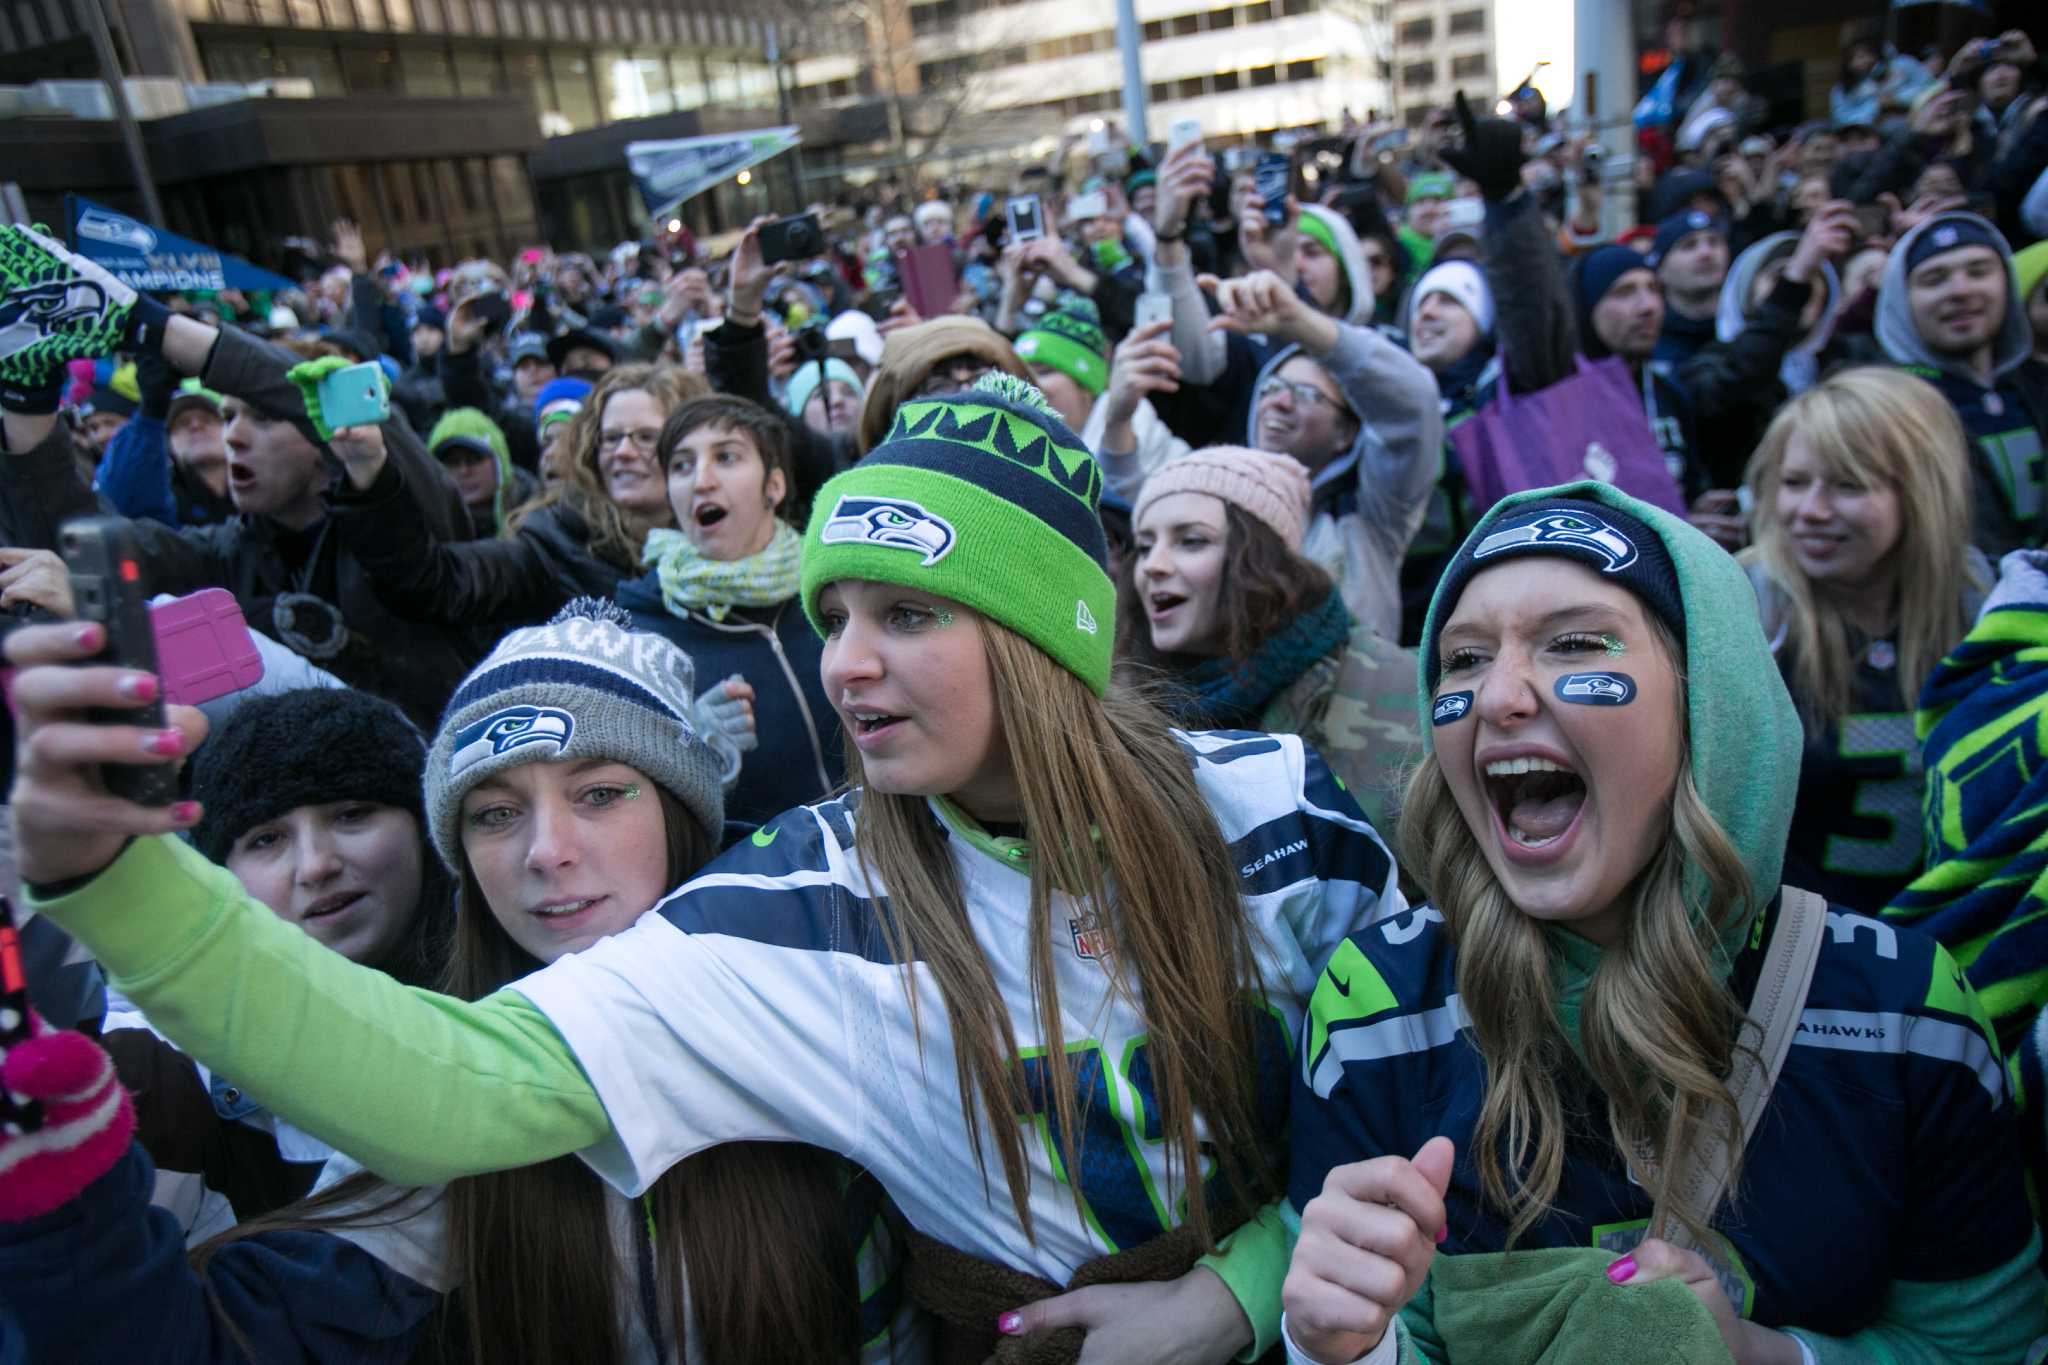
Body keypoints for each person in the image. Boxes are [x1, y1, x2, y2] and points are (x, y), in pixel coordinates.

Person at [7, 376, 1405, 1362]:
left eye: (906, 613)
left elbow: (1427, 1101)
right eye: (834, 613)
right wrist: (119, 882)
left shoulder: (1278, 812)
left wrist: (1238, 1291)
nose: (845, 661)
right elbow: (450, 1089)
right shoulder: (796, 905)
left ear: (1047, 641)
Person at [0, 607, 919, 1363]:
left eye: (600, 793)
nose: (546, 850)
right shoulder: (434, 1124)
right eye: (495, 812)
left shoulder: (842, 990)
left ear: (684, 811)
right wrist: (65, 1209)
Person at [1281, 483, 2046, 1364]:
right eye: (1461, 657)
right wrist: (1340, 1345)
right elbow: (1370, 1333)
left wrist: (1764, 1354)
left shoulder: (1907, 1012)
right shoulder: (1375, 1002)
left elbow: (1989, 1348)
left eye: (1574, 643)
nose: (1497, 697)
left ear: (1709, 697)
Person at [0, 224, 476, 727]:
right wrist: (27, 398)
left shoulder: (410, 533)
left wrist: (152, 327)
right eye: (227, 417)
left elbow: (348, 421)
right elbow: (83, 546)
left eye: (262, 418)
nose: (233, 437)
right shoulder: (221, 556)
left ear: (324, 444)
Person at [103, 687, 453, 1240]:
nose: (316, 865)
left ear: (424, 826)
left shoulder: (535, 989)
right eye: (267, 839)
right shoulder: (158, 1072)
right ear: (223, 876)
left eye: (351, 814)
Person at [1744, 368, 1987, 914]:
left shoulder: (1984, 607)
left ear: (1923, 492)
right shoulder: (1748, 613)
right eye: (1794, 482)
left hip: (1946, 934)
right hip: (1795, 949)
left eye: (1848, 486)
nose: (1810, 511)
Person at [1119, 446, 1420, 834]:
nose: (1153, 566)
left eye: (1191, 541)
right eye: (1144, 547)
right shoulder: (1123, 707)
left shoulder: (1397, 688)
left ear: (1261, 559)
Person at [330, 363, 706, 632]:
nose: (622, 451)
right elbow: (436, 584)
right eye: (611, 437)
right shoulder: (554, 542)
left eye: (644, 437)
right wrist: (369, 471)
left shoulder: (723, 536)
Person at [616, 394, 843, 830]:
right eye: (681, 466)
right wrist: (686, 748)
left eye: (726, 457)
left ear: (773, 487)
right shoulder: (640, 637)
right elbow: (624, 799)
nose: (701, 481)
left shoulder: (834, 590)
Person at [1875, 212, 2048, 560]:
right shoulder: (1883, 409)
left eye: (1979, 271)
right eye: (1934, 279)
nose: (1960, 291)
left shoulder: (2037, 384)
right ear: (1902, 301)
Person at [426, 407, 538, 539]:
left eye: (474, 460)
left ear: (500, 464)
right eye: (452, 463)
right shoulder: (424, 530)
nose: (464, 471)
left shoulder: (535, 521)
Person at [1647, 209, 1730, 371]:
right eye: (1689, 246)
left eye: (1714, 242)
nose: (1706, 253)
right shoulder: (1649, 340)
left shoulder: (1744, 326)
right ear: (1661, 269)